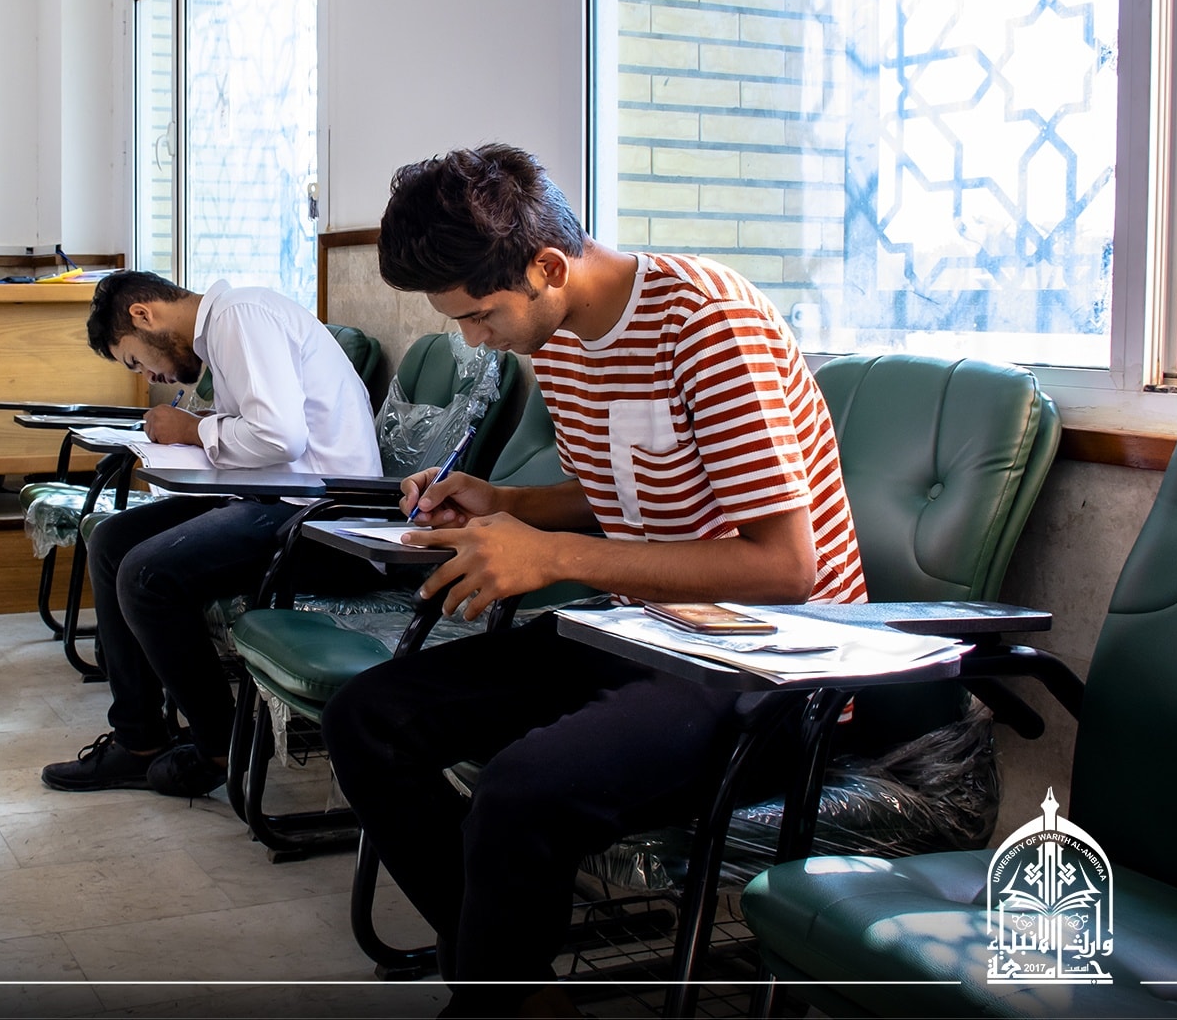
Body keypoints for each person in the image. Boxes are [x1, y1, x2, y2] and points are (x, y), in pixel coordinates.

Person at [320, 144, 867, 1015]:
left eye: (481, 314)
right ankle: (514, 990)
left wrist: (554, 556)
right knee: (366, 720)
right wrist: (505, 501)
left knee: (519, 792)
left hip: (771, 665)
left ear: (548, 266)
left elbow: (785, 566)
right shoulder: (564, 338)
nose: (475, 339)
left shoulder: (708, 322)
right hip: (645, 627)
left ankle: (494, 992)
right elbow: (617, 488)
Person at [41, 271, 382, 798]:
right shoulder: (226, 328)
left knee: (146, 575)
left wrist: (191, 429)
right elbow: (262, 433)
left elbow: (280, 437)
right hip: (277, 499)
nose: (150, 374)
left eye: (135, 360)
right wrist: (201, 429)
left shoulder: (241, 315)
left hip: (324, 523)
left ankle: (222, 745)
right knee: (110, 541)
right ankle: (139, 741)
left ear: (143, 315)